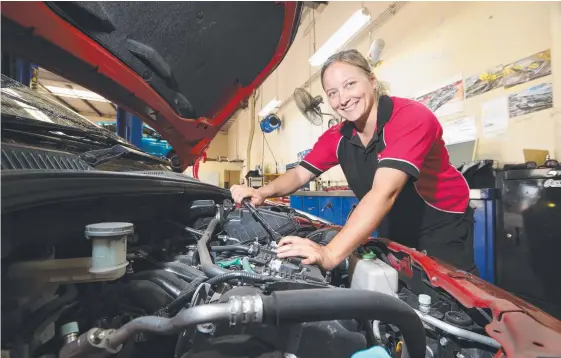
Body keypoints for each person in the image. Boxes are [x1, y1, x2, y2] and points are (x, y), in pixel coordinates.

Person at [231, 49, 477, 273]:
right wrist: (262, 192)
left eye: (350, 85)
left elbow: (384, 193)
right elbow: (300, 174)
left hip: (441, 222)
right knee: (396, 283)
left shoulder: (410, 118)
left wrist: (328, 253)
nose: (343, 99)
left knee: (450, 297)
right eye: (333, 93)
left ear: (371, 81)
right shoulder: (337, 137)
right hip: (392, 218)